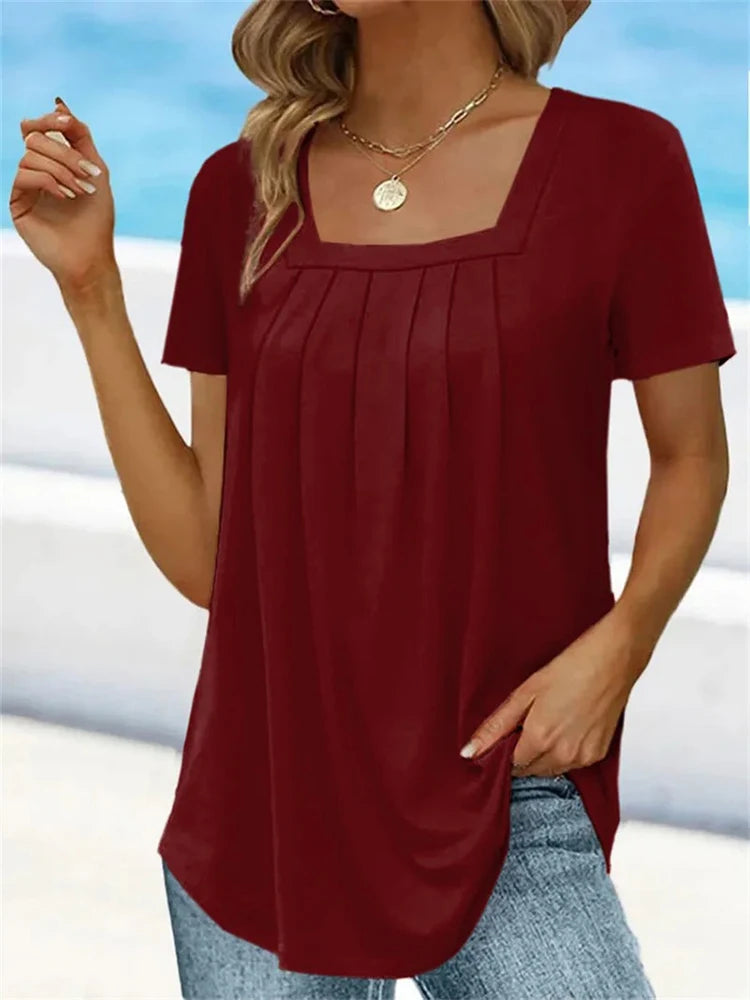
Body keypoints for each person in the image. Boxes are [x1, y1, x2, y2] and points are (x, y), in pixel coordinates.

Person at [10, 0, 737, 996]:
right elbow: (211, 558)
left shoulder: (622, 163)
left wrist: (621, 649)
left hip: (508, 786)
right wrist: (91, 290)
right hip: (264, 807)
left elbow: (690, 455)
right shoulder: (240, 189)